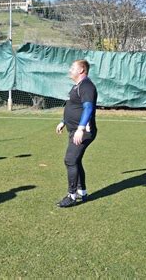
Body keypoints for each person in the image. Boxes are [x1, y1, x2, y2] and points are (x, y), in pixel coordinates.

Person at [56, 59, 97, 208]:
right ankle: (82, 192)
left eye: (73, 67)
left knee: (70, 160)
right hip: (73, 130)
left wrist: (80, 129)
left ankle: (71, 196)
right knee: (76, 161)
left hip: (82, 132)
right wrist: (63, 121)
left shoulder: (87, 86)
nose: (70, 70)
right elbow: (73, 106)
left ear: (81, 70)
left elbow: (88, 108)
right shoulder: (77, 86)